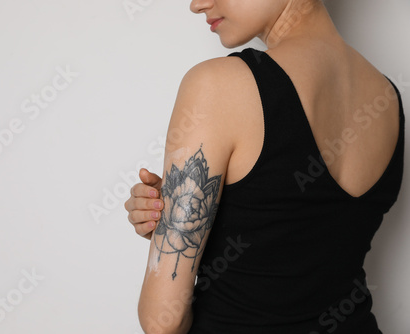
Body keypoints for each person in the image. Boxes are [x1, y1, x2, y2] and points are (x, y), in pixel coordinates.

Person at [123, 0, 405, 333]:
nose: (197, 4)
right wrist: (177, 219)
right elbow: (303, 232)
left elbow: (162, 321)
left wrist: (175, 234)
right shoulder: (386, 97)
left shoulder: (217, 84)